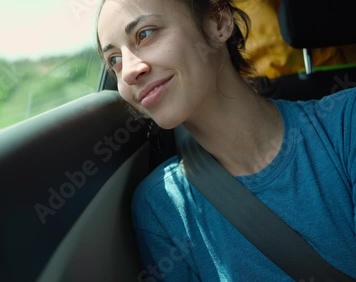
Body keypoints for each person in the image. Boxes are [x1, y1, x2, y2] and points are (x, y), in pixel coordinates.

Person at [96, 0, 356, 281]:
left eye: (145, 34)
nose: (129, 72)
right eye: (115, 61)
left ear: (219, 24)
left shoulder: (346, 122)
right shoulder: (160, 205)